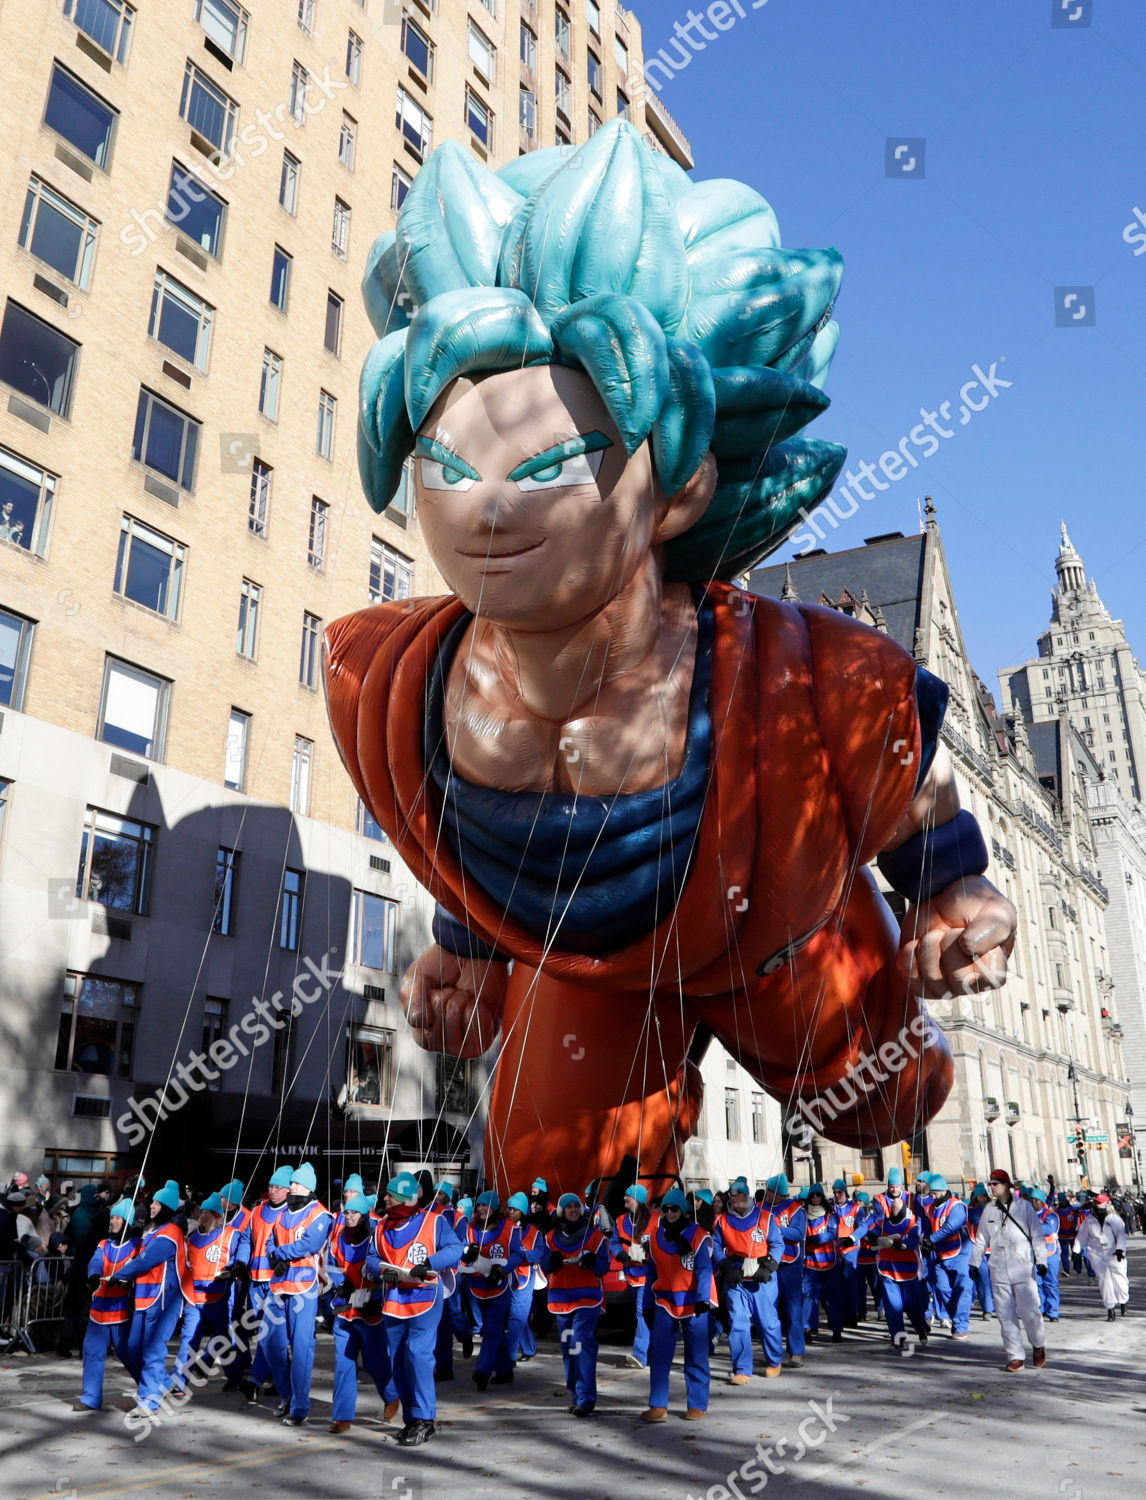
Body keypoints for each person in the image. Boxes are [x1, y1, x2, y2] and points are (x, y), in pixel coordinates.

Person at [367, 1171, 464, 1447]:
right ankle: (411, 1419)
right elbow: (371, 1258)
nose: (385, 1198)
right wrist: (381, 1271)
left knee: (418, 1355)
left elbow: (456, 1248)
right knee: (397, 1358)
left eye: (390, 1194)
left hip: (424, 1297)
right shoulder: (382, 1227)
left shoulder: (434, 1222)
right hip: (394, 1299)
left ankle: (425, 1419)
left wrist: (429, 1263)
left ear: (404, 1199)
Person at [261, 1162, 332, 1426]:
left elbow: (310, 1244)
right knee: (270, 1343)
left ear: (307, 1188)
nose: (291, 1187)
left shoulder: (319, 1214)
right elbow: (271, 1239)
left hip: (304, 1288)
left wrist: (280, 1254)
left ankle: (299, 1407)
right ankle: (287, 1395)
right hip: (279, 1285)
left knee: (301, 1348)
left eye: (295, 1184)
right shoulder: (284, 1212)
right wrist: (272, 1255)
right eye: (290, 1184)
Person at [115, 1181, 194, 1414]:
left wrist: (118, 1274)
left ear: (167, 1207)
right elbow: (139, 1256)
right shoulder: (153, 1230)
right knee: (132, 1347)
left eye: (157, 1204)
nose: (151, 1206)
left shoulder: (170, 1233)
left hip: (162, 1300)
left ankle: (148, 1401)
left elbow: (146, 1260)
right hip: (144, 1297)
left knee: (152, 1350)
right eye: (152, 1202)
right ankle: (165, 1385)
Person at [641, 1189, 714, 1422]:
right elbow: (650, 1274)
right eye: (666, 1209)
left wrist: (704, 1298)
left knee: (696, 1354)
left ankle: (697, 1403)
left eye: (675, 1209)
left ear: (683, 1210)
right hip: (665, 1301)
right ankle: (658, 1405)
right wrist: (647, 1306)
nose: (670, 1213)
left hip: (694, 1303)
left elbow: (704, 1269)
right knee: (660, 1353)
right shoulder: (654, 1238)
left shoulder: (698, 1235)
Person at [327, 1193, 393, 1434]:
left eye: (354, 1213)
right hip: (345, 1310)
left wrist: (377, 1298)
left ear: (364, 1215)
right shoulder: (338, 1238)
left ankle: (392, 1394)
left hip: (370, 1311)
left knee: (375, 1363)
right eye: (346, 1213)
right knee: (344, 1362)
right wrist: (338, 1281)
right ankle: (342, 1416)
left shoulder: (376, 1239)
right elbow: (330, 1262)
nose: (349, 1217)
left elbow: (386, 1271)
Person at [970, 1168, 1047, 1372]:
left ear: (1006, 1185)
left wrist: (1042, 1261)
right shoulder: (989, 1210)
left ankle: (1038, 1344)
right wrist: (974, 1263)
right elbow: (981, 1240)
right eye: (990, 1184)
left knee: (1030, 1311)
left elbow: (1037, 1235)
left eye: (995, 1184)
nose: (992, 1188)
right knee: (1005, 1314)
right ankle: (1015, 1355)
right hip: (999, 1268)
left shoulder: (1024, 1207)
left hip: (1022, 1266)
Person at [169, 1192, 247, 1391]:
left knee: (223, 1339)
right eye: (202, 1213)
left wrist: (236, 1266)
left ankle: (235, 1376)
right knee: (188, 1339)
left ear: (218, 1217)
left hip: (218, 1296)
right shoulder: (192, 1239)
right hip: (194, 1298)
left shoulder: (229, 1235)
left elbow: (244, 1246)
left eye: (209, 1214)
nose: (204, 1217)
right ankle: (179, 1382)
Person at [543, 1193, 611, 1416]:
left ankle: (586, 1398)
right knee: (568, 1348)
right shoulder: (551, 1237)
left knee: (581, 1344)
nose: (573, 1210)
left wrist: (593, 1262)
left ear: (582, 1211)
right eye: (568, 1206)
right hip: (561, 1301)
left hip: (587, 1299)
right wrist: (550, 1262)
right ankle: (576, 1394)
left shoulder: (595, 1236)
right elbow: (544, 1265)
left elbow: (603, 1267)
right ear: (562, 1211)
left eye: (576, 1206)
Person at [73, 1198, 140, 1412]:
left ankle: (151, 1389)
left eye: (117, 1218)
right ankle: (90, 1398)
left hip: (122, 1310)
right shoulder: (104, 1244)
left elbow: (139, 1268)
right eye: (112, 1218)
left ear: (127, 1222)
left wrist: (126, 1277)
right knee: (92, 1352)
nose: (112, 1222)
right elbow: (96, 1261)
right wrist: (93, 1275)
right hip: (99, 1310)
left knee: (128, 1353)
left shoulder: (136, 1247)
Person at [715, 1176, 784, 1383]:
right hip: (736, 1278)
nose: (733, 1200)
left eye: (736, 1196)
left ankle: (774, 1360)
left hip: (762, 1278)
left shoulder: (764, 1217)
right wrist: (725, 1265)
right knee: (738, 1322)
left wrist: (770, 1266)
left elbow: (778, 1244)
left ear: (746, 1196)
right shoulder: (724, 1221)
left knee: (767, 1322)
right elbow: (717, 1247)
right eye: (731, 1197)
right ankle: (742, 1369)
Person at [237, 1166, 291, 1401]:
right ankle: (281, 1379)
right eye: (271, 1186)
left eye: (278, 1187)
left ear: (289, 1190)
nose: (273, 1191)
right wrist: (241, 1261)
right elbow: (247, 1238)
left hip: (277, 1279)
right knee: (264, 1330)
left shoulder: (290, 1213)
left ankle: (256, 1378)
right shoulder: (257, 1210)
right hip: (255, 1278)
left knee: (268, 1331)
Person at [460, 1191, 523, 1390]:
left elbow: (517, 1255)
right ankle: (504, 1369)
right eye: (478, 1205)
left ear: (495, 1208)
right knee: (489, 1328)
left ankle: (483, 1370)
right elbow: (461, 1249)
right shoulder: (470, 1228)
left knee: (494, 1327)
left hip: (499, 1286)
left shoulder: (510, 1228)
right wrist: (466, 1253)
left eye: (485, 1205)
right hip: (477, 1286)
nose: (481, 1209)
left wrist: (502, 1271)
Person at [864, 1186, 929, 1349]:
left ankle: (921, 1327)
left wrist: (903, 1244)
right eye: (892, 1209)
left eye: (897, 1209)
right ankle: (897, 1336)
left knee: (912, 1305)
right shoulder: (884, 1222)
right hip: (888, 1270)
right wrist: (871, 1237)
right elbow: (875, 1231)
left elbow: (913, 1240)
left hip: (908, 1272)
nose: (894, 1211)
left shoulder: (911, 1223)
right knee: (893, 1306)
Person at [762, 1174, 807, 1366]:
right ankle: (773, 1351)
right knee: (768, 1307)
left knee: (792, 1306)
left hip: (790, 1262)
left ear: (779, 1193)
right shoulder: (760, 1208)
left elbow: (798, 1233)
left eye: (770, 1191)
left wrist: (776, 1230)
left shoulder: (795, 1209)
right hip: (768, 1261)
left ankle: (796, 1351)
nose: (767, 1194)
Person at [922, 1175, 973, 1340]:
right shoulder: (930, 1208)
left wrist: (932, 1239)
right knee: (943, 1288)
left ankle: (960, 1326)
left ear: (943, 1191)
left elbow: (951, 1227)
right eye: (931, 1194)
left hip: (961, 1253)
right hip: (940, 1254)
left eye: (935, 1193)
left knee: (962, 1289)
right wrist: (924, 1241)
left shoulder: (956, 1206)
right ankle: (956, 1317)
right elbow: (926, 1228)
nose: (932, 1196)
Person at [611, 1183, 656, 1369]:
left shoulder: (655, 1220)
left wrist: (650, 1251)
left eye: (628, 1196)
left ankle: (640, 1354)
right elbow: (614, 1242)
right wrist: (619, 1253)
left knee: (641, 1312)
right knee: (645, 1313)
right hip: (630, 1273)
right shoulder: (621, 1220)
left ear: (637, 1200)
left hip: (648, 1275)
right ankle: (652, 1352)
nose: (624, 1199)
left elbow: (663, 1241)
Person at [505, 1192, 546, 1365]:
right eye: (509, 1208)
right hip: (505, 1275)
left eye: (514, 1209)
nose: (510, 1212)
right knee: (516, 1316)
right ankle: (529, 1347)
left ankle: (509, 1355)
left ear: (522, 1211)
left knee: (517, 1316)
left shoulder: (534, 1231)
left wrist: (523, 1255)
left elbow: (540, 1252)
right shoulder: (503, 1227)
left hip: (524, 1276)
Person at [1074, 1193, 1128, 1320]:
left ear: (1106, 1203)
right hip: (1097, 1253)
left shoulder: (1114, 1219)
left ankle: (1123, 1302)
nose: (1098, 1206)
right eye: (1096, 1203)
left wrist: (1120, 1249)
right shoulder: (1089, 1220)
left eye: (1100, 1203)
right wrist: (1076, 1251)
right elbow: (1082, 1236)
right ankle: (1110, 1309)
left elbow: (1121, 1235)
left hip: (1114, 1253)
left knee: (1120, 1279)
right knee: (1104, 1281)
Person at [802, 1185, 844, 1342]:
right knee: (808, 1296)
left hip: (829, 1262)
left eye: (817, 1195)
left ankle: (836, 1329)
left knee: (832, 1297)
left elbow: (832, 1233)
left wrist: (816, 1239)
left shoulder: (831, 1215)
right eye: (812, 1195)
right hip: (810, 1263)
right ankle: (807, 1328)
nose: (814, 1198)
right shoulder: (803, 1214)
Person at [831, 1179, 866, 1326]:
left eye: (839, 1192)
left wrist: (852, 1238)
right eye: (835, 1192)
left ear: (845, 1192)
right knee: (836, 1285)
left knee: (850, 1282)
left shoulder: (856, 1208)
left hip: (851, 1249)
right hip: (834, 1250)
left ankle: (852, 1315)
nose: (837, 1194)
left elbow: (863, 1227)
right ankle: (840, 1314)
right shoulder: (830, 1209)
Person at [1029, 1189, 1062, 1322]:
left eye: (1037, 1199)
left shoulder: (1051, 1215)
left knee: (1051, 1284)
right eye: (1032, 1199)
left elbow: (1048, 1229)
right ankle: (1040, 1309)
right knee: (1037, 1284)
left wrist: (1030, 1228)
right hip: (1034, 1254)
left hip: (1050, 1253)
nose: (1034, 1202)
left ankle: (1053, 1311)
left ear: (1042, 1201)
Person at [967, 1184, 994, 1318]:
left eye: (984, 1197)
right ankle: (987, 1308)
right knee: (983, 1279)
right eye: (979, 1197)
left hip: (994, 1248)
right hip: (978, 1248)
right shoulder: (971, 1210)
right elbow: (977, 1220)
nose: (982, 1199)